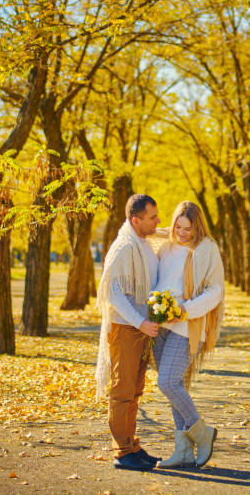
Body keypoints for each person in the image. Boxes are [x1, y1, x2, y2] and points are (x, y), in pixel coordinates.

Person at [153, 201, 224, 468]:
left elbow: (215, 291)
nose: (182, 233)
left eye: (188, 228)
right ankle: (183, 450)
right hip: (160, 325)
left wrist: (185, 309)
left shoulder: (207, 249)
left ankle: (201, 431)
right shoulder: (166, 246)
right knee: (174, 388)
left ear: (198, 227)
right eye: (178, 227)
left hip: (187, 325)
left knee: (168, 382)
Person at [95, 194, 161, 472]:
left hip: (140, 330)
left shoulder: (143, 242)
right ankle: (122, 452)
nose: (158, 221)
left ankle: (131, 445)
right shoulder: (123, 248)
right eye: (153, 217)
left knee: (135, 390)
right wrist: (140, 322)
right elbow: (113, 292)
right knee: (122, 390)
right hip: (126, 328)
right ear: (136, 220)